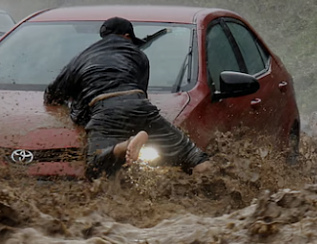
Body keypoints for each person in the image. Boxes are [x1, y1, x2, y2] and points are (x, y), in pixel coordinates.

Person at [44, 16, 212, 180]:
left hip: (105, 109)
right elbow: (140, 94)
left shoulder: (80, 59)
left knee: (94, 167)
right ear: (127, 36)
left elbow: (52, 95)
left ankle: (124, 146)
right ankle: (212, 186)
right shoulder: (138, 55)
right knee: (194, 156)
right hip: (139, 104)